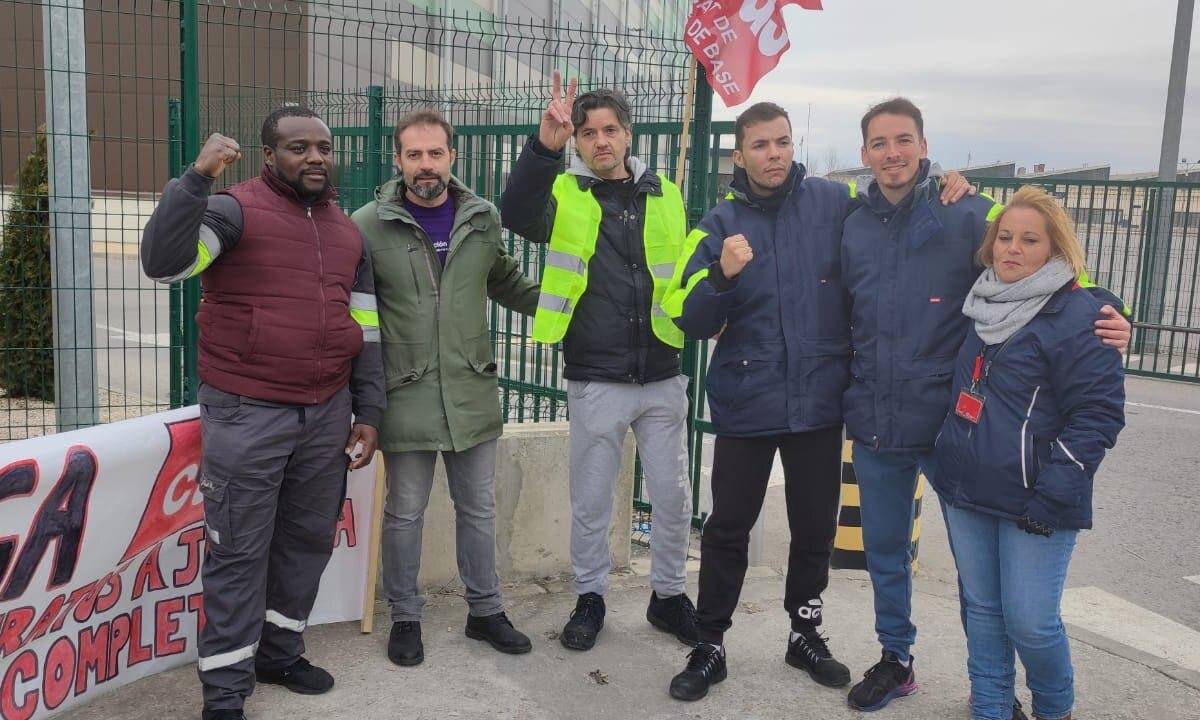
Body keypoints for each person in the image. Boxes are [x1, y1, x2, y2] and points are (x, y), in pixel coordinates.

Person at [663, 101, 973, 702]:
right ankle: (710, 642)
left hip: (820, 403)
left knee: (813, 529)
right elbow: (686, 316)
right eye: (760, 145)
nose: (773, 154)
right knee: (728, 526)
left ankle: (804, 633)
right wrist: (722, 276)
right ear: (740, 155)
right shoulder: (717, 222)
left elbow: (896, 215)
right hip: (748, 401)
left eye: (781, 142)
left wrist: (947, 186)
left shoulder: (834, 204)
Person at [840, 98, 1130, 715]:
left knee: (982, 590)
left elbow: (1053, 260)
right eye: (879, 143)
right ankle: (897, 658)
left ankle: (990, 690)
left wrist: (1113, 315)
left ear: (923, 145)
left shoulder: (970, 209)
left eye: (904, 140)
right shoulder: (850, 220)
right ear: (864, 153)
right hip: (875, 420)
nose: (892, 153)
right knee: (886, 553)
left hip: (954, 432)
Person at [141, 106, 384, 720]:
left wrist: (368, 410)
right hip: (247, 412)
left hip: (328, 411)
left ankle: (280, 652)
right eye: (298, 148)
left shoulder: (347, 231)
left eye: (323, 147)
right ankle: (225, 692)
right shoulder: (233, 210)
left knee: (306, 541)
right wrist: (195, 181)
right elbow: (166, 264)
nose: (315, 158)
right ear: (270, 154)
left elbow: (367, 327)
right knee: (240, 551)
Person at [500, 71, 698, 651]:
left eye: (609, 129)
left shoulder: (666, 191)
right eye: (588, 133)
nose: (600, 141)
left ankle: (668, 597)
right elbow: (517, 214)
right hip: (597, 372)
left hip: (661, 370)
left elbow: (679, 272)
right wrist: (544, 147)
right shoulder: (564, 193)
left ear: (628, 133)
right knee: (592, 500)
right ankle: (590, 598)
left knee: (672, 496)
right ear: (579, 142)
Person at [350, 109, 539, 666]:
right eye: (414, 155)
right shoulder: (367, 224)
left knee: (478, 508)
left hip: (470, 390)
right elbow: (354, 313)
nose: (425, 165)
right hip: (404, 393)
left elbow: (504, 279)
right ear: (398, 160)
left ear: (452, 156)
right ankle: (406, 616)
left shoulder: (481, 218)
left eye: (435, 153)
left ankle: (485, 611)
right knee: (404, 511)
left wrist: (569, 308)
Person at [932, 185, 1126, 720]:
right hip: (967, 491)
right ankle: (990, 709)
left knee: (1031, 622)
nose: (1013, 249)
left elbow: (1098, 416)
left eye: (1030, 240)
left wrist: (1055, 492)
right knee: (985, 615)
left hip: (1036, 500)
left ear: (1056, 251)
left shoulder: (1083, 318)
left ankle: (1054, 709)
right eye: (1006, 237)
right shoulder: (980, 303)